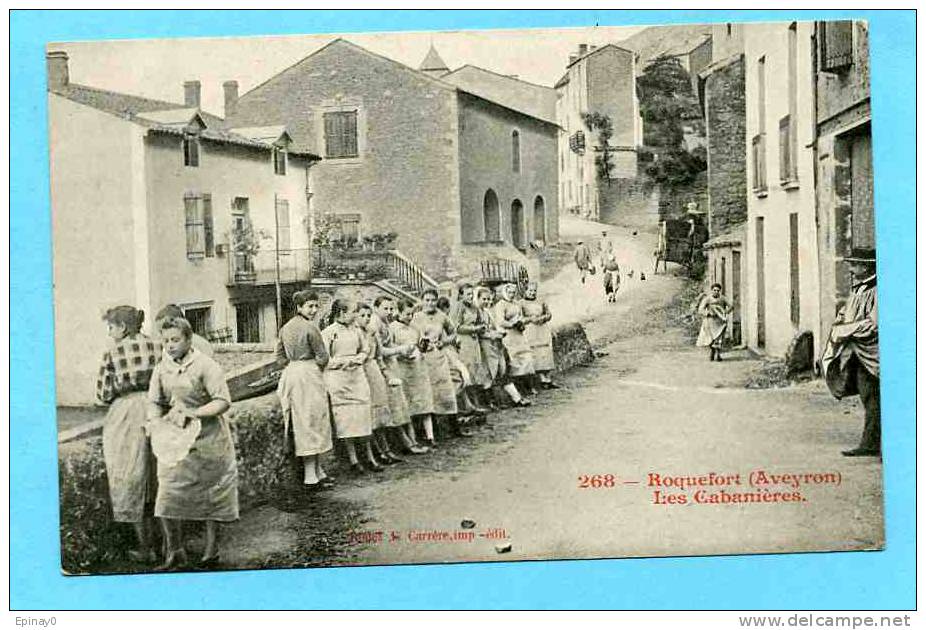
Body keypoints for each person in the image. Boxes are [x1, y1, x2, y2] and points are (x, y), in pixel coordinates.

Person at [147, 316, 238, 570]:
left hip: (209, 439)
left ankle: (211, 552)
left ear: (188, 339)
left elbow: (222, 400)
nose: (170, 345)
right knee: (167, 494)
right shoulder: (162, 367)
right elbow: (155, 400)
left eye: (175, 340)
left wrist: (195, 413)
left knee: (212, 495)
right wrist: (154, 421)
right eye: (165, 341)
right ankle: (175, 551)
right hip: (176, 441)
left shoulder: (206, 365)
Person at [95, 305, 161, 564]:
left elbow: (102, 395)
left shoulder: (112, 352)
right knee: (157, 478)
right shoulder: (157, 345)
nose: (109, 332)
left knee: (129, 476)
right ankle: (166, 544)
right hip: (156, 408)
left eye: (111, 327)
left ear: (122, 327)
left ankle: (145, 548)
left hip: (127, 411)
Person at [820, 253, 880, 457]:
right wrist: (840, 321)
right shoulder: (858, 289)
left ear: (867, 267)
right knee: (867, 396)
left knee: (873, 397)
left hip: (872, 353)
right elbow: (846, 313)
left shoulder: (878, 290)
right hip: (856, 351)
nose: (851, 268)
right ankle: (871, 441)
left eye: (855, 265)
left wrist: (844, 330)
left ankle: (872, 444)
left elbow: (873, 324)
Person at [275, 290, 334, 492]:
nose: (314, 310)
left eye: (316, 306)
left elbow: (280, 358)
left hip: (291, 374)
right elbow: (323, 357)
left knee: (302, 422)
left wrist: (293, 366)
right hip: (309, 374)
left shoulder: (285, 328)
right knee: (313, 420)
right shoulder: (311, 328)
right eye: (310, 306)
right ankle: (311, 476)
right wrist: (313, 368)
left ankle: (317, 472)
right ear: (299, 307)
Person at [321, 299, 380, 475]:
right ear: (341, 313)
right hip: (339, 380)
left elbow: (365, 349)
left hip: (357, 377)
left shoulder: (356, 331)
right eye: (353, 312)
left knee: (363, 417)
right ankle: (354, 460)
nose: (355, 315)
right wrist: (344, 361)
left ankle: (370, 457)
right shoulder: (329, 333)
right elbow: (324, 359)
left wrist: (359, 358)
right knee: (346, 421)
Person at [373, 296, 428, 455]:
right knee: (393, 406)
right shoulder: (374, 324)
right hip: (383, 368)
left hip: (391, 365)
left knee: (399, 406)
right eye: (385, 309)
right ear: (376, 307)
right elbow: (380, 351)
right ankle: (405, 443)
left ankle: (410, 441)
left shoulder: (385, 323)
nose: (389, 312)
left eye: (391, 309)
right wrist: (400, 350)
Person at [411, 289, 470, 438]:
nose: (430, 303)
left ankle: (454, 427)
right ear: (422, 300)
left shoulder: (442, 316)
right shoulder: (416, 317)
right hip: (425, 358)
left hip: (439, 357)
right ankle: (434, 431)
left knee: (446, 391)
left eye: (433, 300)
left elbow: (453, 332)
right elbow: (412, 336)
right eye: (427, 300)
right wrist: (421, 344)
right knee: (429, 392)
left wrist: (443, 341)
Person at [356, 302, 403, 465]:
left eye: (368, 315)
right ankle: (373, 454)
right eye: (362, 315)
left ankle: (385, 449)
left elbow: (379, 355)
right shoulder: (354, 333)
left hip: (374, 372)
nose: (366, 319)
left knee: (381, 413)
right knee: (368, 416)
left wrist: (387, 374)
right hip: (360, 374)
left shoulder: (372, 331)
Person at [391, 299, 438, 447]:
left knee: (423, 400)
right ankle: (413, 438)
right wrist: (402, 353)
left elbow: (421, 345)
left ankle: (430, 436)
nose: (409, 317)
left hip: (418, 368)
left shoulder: (415, 327)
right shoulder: (393, 328)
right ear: (398, 312)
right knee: (407, 402)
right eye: (406, 314)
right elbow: (391, 350)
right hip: (402, 368)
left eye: (411, 314)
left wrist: (425, 345)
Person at [478, 286, 529, 407]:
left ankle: (515, 398)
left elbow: (494, 325)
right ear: (478, 298)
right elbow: (480, 331)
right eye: (485, 299)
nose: (488, 302)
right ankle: (493, 402)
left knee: (502, 370)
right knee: (490, 373)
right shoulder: (477, 313)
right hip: (485, 345)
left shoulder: (488, 312)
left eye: (490, 299)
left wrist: (498, 333)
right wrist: (493, 334)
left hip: (495, 343)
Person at [451, 283, 494, 410]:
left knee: (476, 370)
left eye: (472, 294)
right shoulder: (458, 307)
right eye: (468, 294)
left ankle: (476, 403)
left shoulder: (474, 308)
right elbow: (456, 327)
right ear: (461, 295)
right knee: (467, 371)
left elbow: (481, 322)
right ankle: (468, 404)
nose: (470, 296)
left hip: (474, 342)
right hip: (463, 342)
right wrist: (474, 328)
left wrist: (481, 327)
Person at [493, 282, 537, 396]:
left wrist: (522, 322)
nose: (511, 295)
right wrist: (513, 324)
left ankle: (527, 385)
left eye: (513, 292)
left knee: (526, 357)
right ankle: (518, 387)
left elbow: (521, 317)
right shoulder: (500, 305)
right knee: (514, 360)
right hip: (508, 335)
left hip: (518, 335)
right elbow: (500, 321)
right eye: (509, 292)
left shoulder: (516, 303)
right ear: (504, 292)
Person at [521, 282, 558, 390]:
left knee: (545, 351)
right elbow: (520, 317)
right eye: (530, 291)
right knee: (535, 352)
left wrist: (543, 318)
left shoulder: (541, 301)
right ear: (525, 291)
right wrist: (530, 319)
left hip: (542, 328)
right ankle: (542, 379)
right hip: (531, 329)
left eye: (534, 291)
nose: (532, 293)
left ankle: (548, 378)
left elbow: (549, 314)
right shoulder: (521, 303)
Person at [696, 283, 733, 361]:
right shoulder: (707, 299)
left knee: (719, 339)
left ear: (720, 291)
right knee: (711, 338)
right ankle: (712, 352)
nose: (716, 292)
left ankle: (719, 355)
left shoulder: (722, 298)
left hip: (720, 321)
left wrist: (725, 312)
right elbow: (700, 309)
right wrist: (708, 313)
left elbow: (731, 306)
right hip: (710, 321)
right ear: (711, 291)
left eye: (718, 290)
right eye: (714, 290)